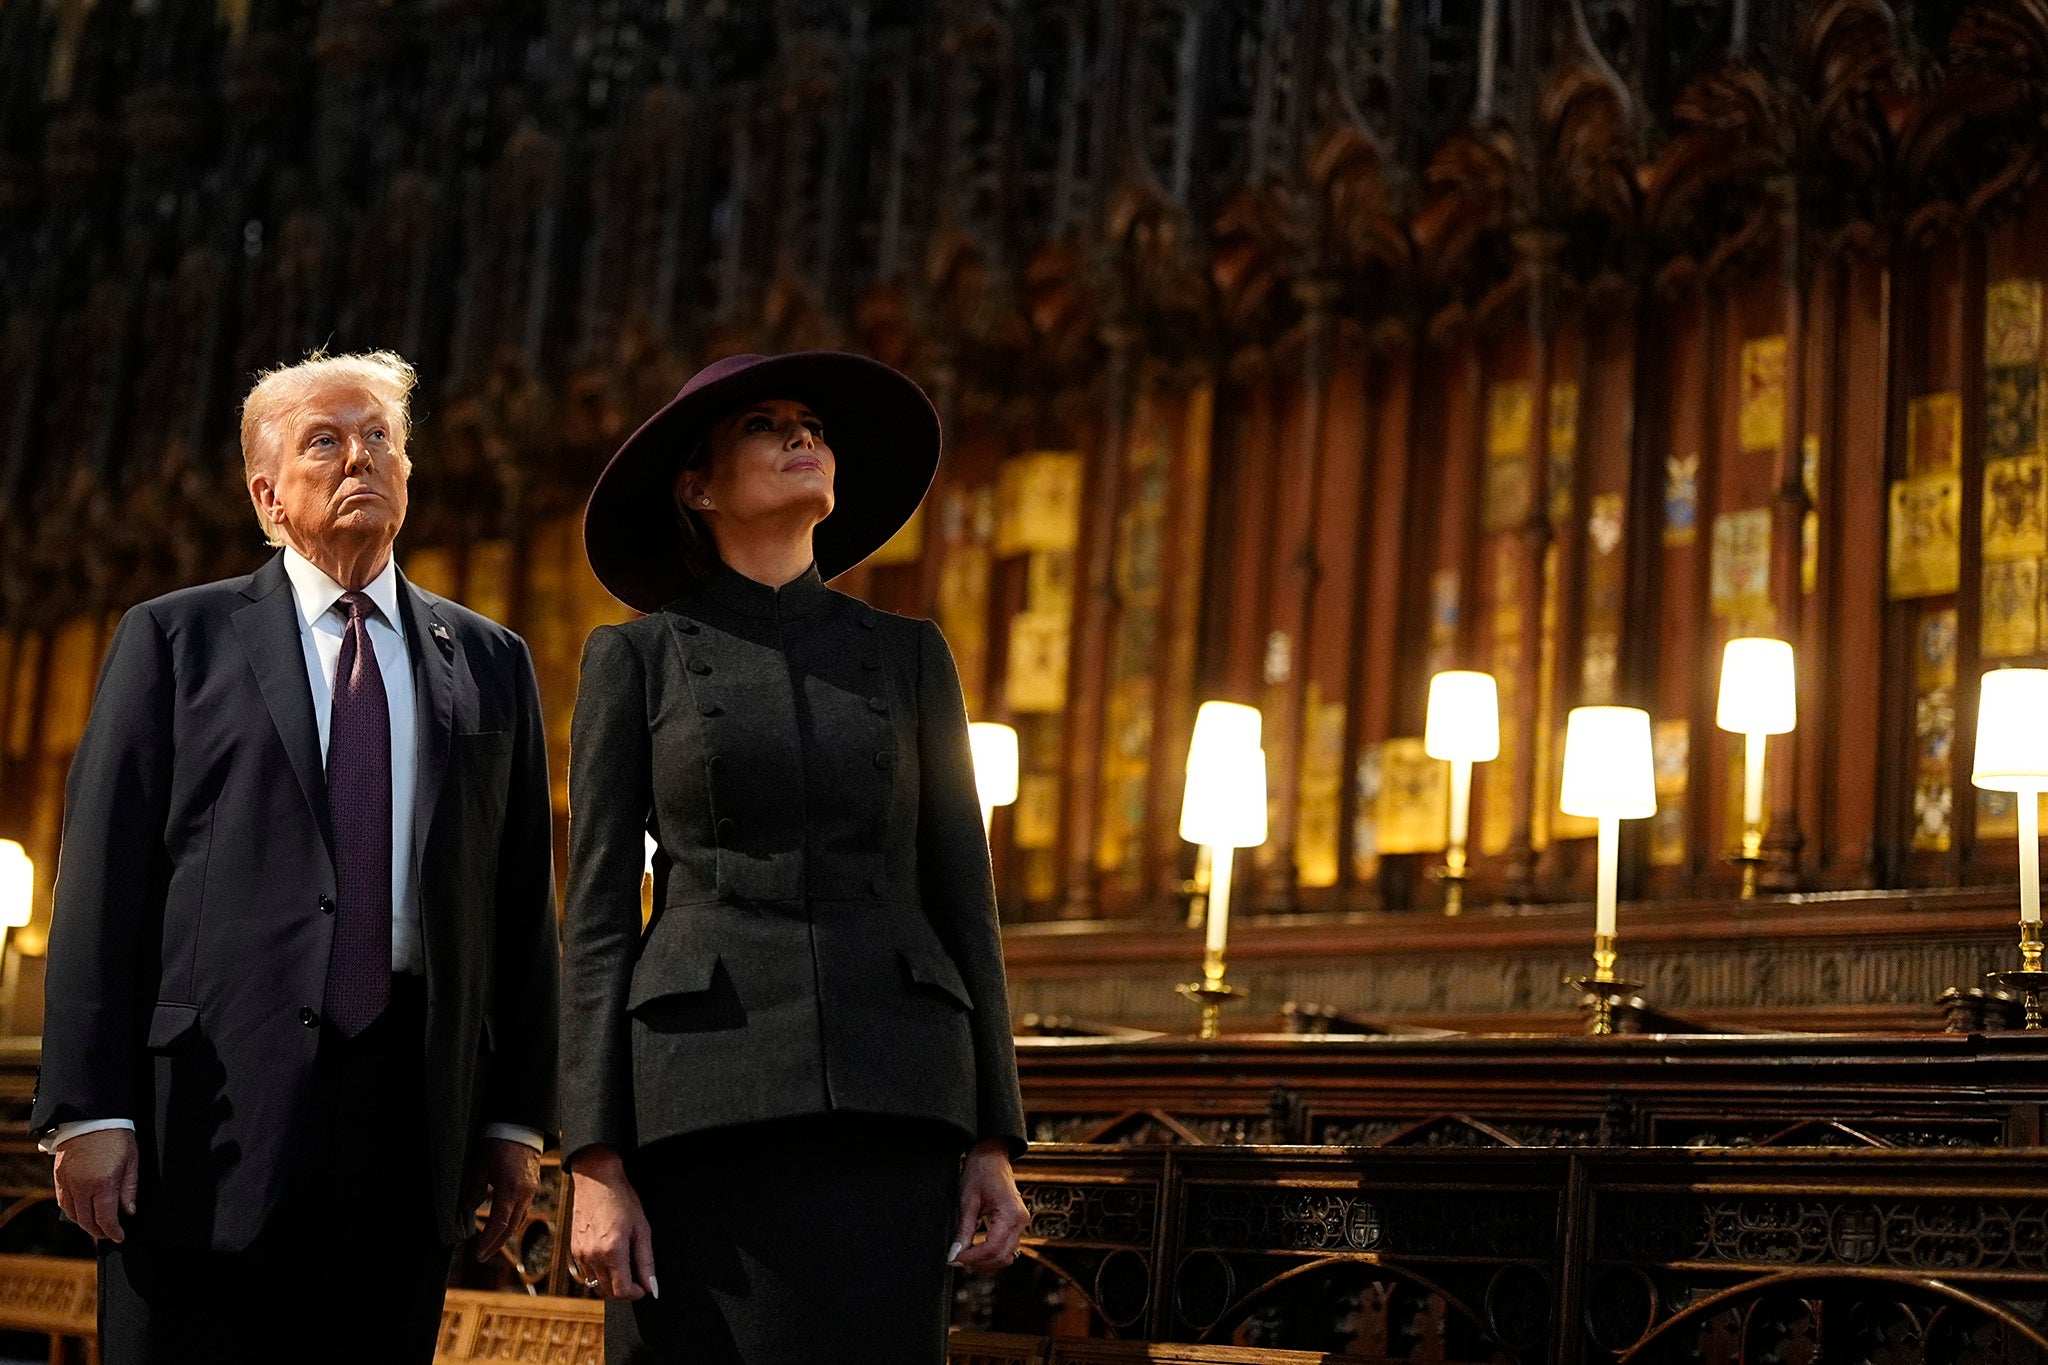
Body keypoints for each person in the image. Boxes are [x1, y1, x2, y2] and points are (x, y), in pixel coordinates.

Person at [31, 351, 560, 1363]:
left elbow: (516, 907)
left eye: (381, 438)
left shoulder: (487, 660)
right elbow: (103, 882)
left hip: (408, 1107)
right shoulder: (175, 640)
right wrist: (87, 1109)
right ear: (266, 494)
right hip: (206, 1116)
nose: (360, 455)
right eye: (326, 439)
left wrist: (515, 1119)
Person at [562, 350, 1031, 1361]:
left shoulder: (909, 656)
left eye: (810, 425)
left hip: (894, 1098)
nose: (802, 439)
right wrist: (592, 1160)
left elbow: (964, 899)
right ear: (696, 488)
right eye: (764, 427)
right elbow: (597, 913)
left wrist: (992, 1135)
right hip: (700, 1101)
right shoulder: (635, 658)